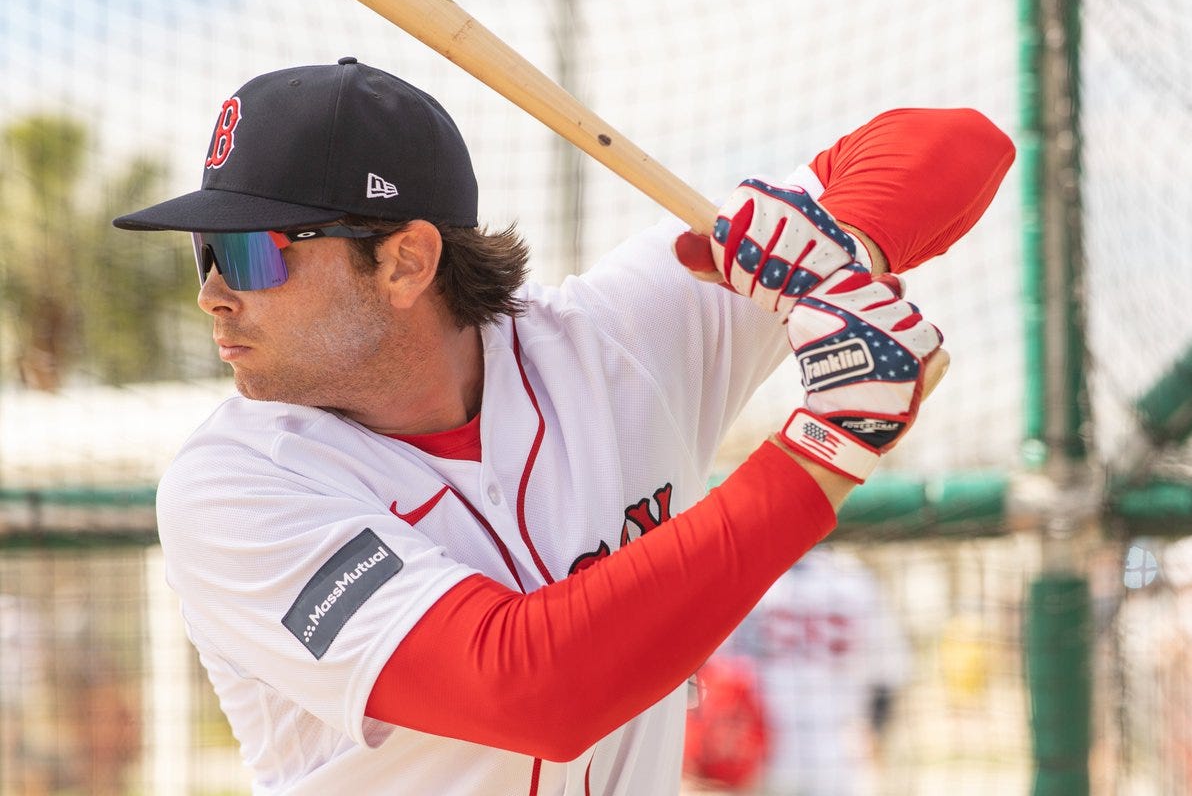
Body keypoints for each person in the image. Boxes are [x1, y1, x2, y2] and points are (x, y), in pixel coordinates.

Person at [112, 56, 1013, 794]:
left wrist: (831, 251)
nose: (212, 294)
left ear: (405, 260)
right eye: (206, 250)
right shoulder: (234, 485)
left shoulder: (606, 340)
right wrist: (823, 452)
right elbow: (531, 689)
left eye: (248, 252)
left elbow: (960, 143)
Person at [690, 546, 911, 796]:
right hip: (831, 758)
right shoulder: (855, 579)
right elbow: (888, 677)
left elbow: (710, 671)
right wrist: (873, 734)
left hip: (757, 758)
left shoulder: (744, 573)